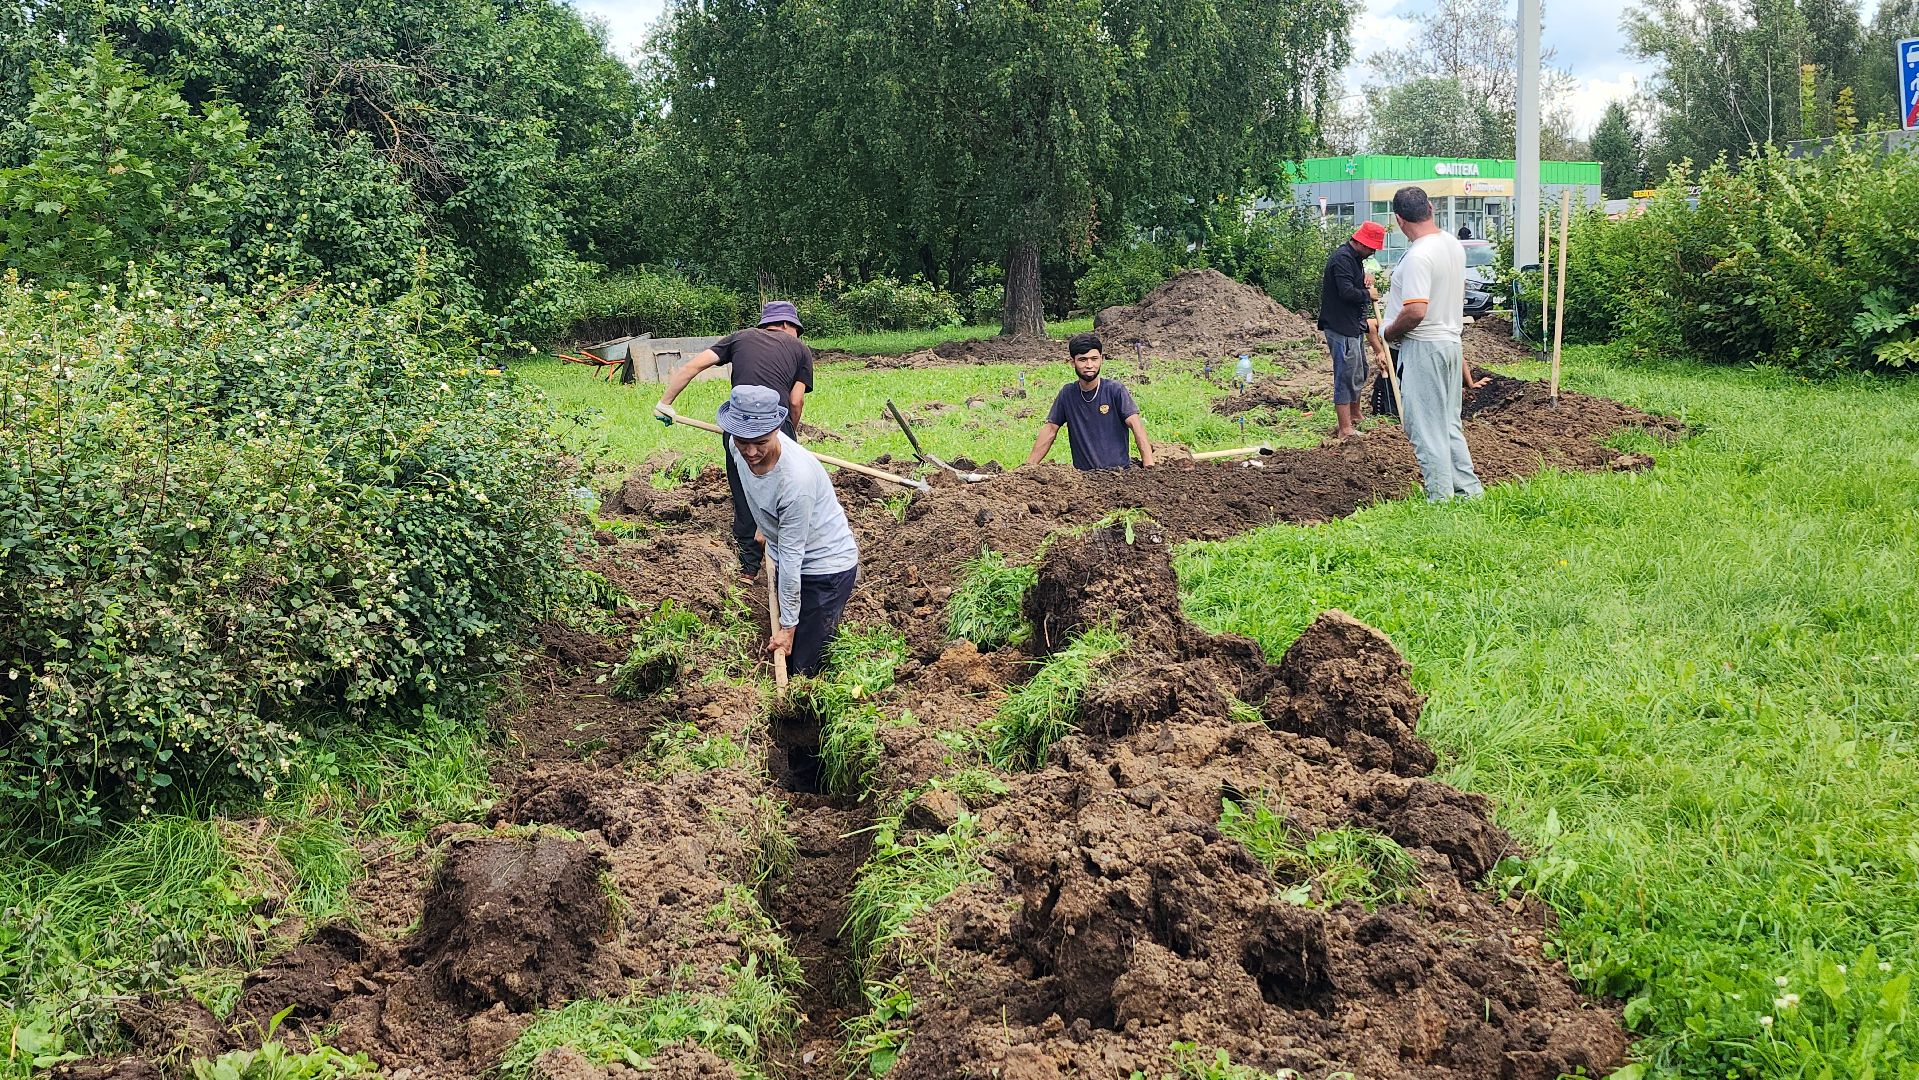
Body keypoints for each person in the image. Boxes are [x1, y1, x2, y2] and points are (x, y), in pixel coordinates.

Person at [655, 300, 814, 583]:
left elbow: (692, 366)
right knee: (785, 494)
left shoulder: (739, 338)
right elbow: (795, 400)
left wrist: (664, 403)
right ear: (790, 326)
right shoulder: (800, 349)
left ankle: (748, 569)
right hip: (776, 429)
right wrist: (790, 434)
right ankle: (790, 566)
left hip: (738, 428)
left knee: (745, 492)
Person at [714, 384, 860, 677]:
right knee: (796, 649)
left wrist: (788, 628)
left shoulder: (796, 481)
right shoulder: (735, 445)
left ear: (777, 429)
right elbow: (752, 488)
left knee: (805, 664)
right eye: (744, 441)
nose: (751, 451)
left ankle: (805, 706)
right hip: (789, 555)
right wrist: (763, 523)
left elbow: (793, 558)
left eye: (761, 441)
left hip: (825, 568)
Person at [1378, 186, 1483, 502]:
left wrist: (1389, 333)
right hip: (1450, 342)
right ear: (1431, 209)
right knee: (1448, 423)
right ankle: (1468, 491)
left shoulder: (1418, 256)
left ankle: (1440, 498)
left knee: (1424, 427)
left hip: (1424, 346)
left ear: (1398, 219)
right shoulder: (1451, 244)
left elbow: (1416, 310)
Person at [1022, 333, 1154, 470]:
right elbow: (1050, 429)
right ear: (1073, 362)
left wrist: (1149, 465)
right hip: (1084, 480)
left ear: (1101, 359)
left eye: (1094, 359)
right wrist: (1029, 466)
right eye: (1083, 360)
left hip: (1119, 476)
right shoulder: (1067, 394)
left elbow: (1136, 425)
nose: (1089, 365)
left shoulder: (1115, 390)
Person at [1318, 220, 1386, 438]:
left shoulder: (1355, 259)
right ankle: (1344, 428)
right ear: (1362, 243)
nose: (1373, 252)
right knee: (1346, 375)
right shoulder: (1342, 259)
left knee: (1359, 370)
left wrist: (1365, 280)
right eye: (1372, 248)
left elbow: (1353, 283)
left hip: (1353, 325)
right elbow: (1346, 292)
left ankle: (1355, 415)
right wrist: (1368, 294)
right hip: (1340, 326)